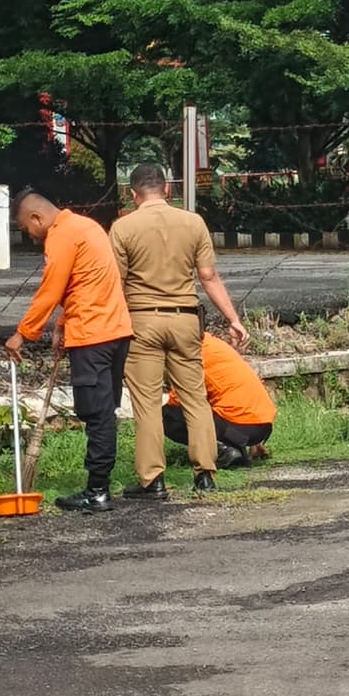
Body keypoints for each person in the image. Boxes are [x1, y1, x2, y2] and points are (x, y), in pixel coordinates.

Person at [109, 164, 249, 498]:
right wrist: (233, 318)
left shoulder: (123, 227)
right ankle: (205, 474)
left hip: (142, 320)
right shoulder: (193, 222)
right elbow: (209, 277)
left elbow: (116, 282)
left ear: (132, 193)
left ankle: (152, 480)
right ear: (167, 189)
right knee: (195, 398)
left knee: (146, 402)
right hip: (186, 319)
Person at [6, 190, 132, 513]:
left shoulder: (61, 236)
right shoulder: (87, 226)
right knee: (105, 413)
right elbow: (86, 284)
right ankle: (99, 485)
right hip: (115, 330)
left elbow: (51, 289)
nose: (29, 235)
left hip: (92, 335)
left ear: (37, 218)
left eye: (25, 228)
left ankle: (97, 490)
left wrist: (23, 334)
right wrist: (63, 323)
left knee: (96, 415)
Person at [163, 332, 276, 469]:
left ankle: (222, 450)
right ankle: (237, 448)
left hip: (238, 424)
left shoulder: (189, 354)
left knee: (166, 416)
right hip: (262, 424)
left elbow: (179, 399)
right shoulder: (215, 345)